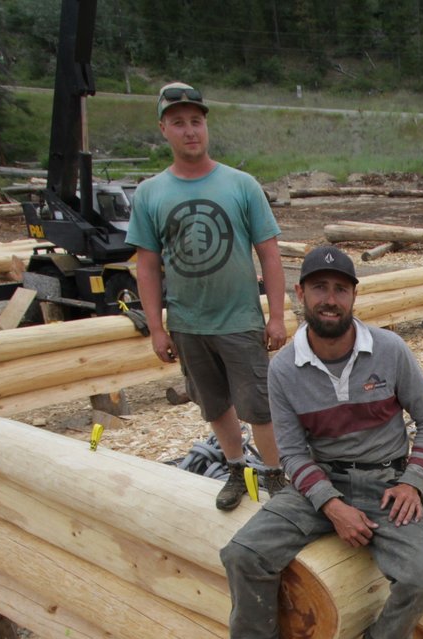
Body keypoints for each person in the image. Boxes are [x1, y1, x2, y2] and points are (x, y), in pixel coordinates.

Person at [220, 246, 423, 639]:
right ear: (300, 293)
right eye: (320, 288)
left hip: (388, 483)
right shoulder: (283, 368)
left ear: (353, 297)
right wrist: (332, 506)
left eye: (340, 289)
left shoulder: (389, 350)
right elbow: (292, 454)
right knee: (243, 554)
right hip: (317, 485)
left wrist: (413, 482)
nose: (330, 299)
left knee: (422, 580)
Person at [129, 82, 288, 511]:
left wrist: (276, 316)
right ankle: (236, 469)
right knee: (214, 404)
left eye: (196, 121)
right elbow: (146, 265)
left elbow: (269, 255)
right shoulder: (150, 193)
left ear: (205, 126)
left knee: (260, 406)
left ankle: (276, 480)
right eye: (178, 123)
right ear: (164, 129)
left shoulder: (241, 185)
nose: (189, 131)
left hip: (240, 320)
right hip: (188, 323)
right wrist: (157, 327)